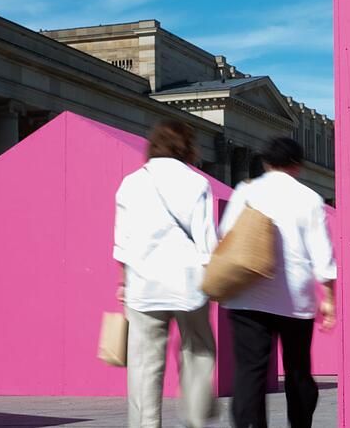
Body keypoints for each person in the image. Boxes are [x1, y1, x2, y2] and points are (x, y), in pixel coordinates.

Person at [218, 137, 337, 428]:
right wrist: (329, 299)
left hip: (247, 294)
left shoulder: (245, 192)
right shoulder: (309, 198)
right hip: (294, 300)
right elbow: (322, 253)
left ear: (266, 162)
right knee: (298, 370)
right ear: (297, 165)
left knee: (250, 373)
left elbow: (225, 233)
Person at [113, 119, 219, 428]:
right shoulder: (197, 182)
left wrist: (123, 282)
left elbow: (123, 242)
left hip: (143, 284)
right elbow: (206, 240)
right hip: (189, 283)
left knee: (145, 365)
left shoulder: (131, 183)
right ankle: (196, 418)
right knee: (198, 350)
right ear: (187, 147)